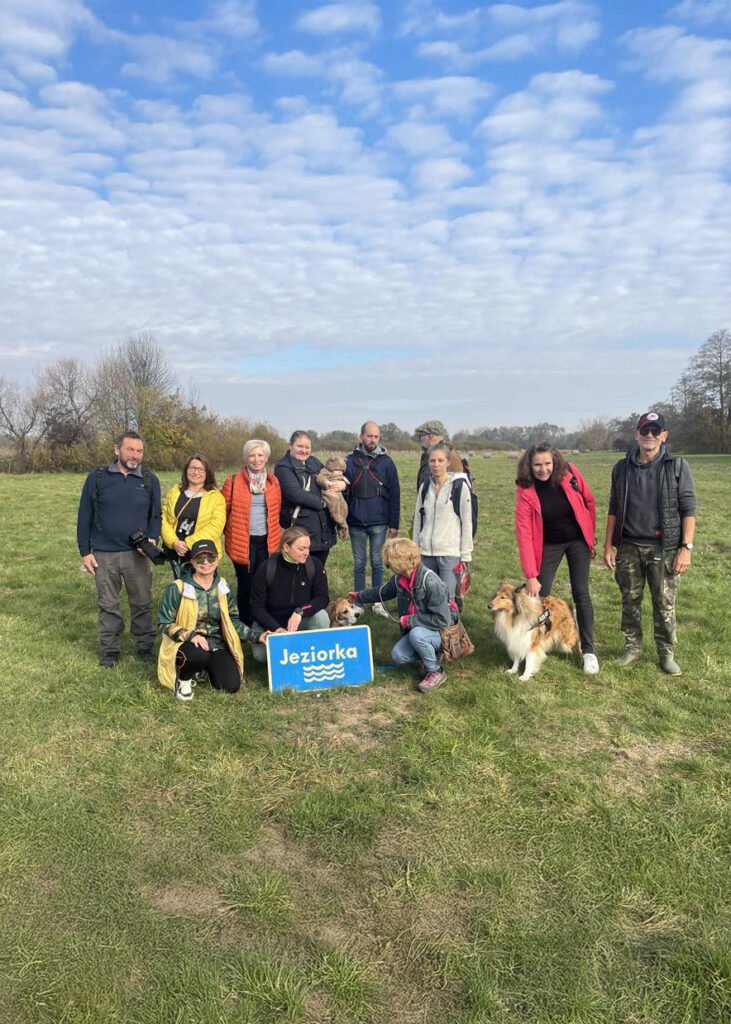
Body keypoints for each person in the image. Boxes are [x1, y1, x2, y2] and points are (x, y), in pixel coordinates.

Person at [603, 411, 697, 676]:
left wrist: (685, 548)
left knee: (664, 603)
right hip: (629, 547)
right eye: (645, 431)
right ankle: (632, 648)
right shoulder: (621, 468)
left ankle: (666, 653)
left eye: (656, 431)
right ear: (637, 434)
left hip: (664, 549)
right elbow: (613, 507)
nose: (650, 436)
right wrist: (609, 545)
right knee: (629, 601)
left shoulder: (677, 466)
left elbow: (689, 509)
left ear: (664, 436)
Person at [76, 430, 162, 667]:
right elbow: (85, 515)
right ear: (117, 450)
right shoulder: (98, 478)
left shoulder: (148, 479)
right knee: (108, 604)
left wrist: (152, 539)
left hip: (138, 555)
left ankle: (145, 647)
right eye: (130, 449)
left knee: (142, 603)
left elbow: (156, 515)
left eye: (139, 450)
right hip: (104, 554)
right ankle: (110, 650)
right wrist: (85, 551)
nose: (135, 455)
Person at [515, 443, 599, 675]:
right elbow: (524, 533)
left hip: (577, 542)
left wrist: (589, 537)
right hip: (548, 545)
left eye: (547, 464)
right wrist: (531, 575)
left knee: (581, 593)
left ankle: (589, 651)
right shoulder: (525, 490)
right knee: (538, 596)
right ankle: (536, 643)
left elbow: (589, 502)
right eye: (537, 465)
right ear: (529, 466)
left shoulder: (570, 473)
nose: (543, 469)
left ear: (555, 462)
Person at [157, 539, 270, 701]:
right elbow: (164, 622)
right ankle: (184, 680)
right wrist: (191, 636)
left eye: (210, 558)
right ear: (192, 562)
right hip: (186, 643)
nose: (205, 563)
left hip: (217, 645)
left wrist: (257, 636)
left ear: (217, 560)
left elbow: (233, 622)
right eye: (199, 559)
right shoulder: (178, 588)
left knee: (231, 686)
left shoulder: (223, 586)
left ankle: (204, 670)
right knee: (197, 655)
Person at [352, 537, 453, 692]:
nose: (388, 566)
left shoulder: (431, 582)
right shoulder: (401, 578)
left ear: (401, 561)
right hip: (421, 629)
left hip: (444, 634)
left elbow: (443, 620)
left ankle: (435, 671)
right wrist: (359, 596)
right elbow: (383, 592)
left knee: (417, 635)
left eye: (389, 562)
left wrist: (409, 620)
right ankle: (428, 656)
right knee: (398, 655)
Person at [221, 440, 282, 625]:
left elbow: (276, 511)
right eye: (252, 455)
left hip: (266, 541)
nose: (256, 459)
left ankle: (262, 621)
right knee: (246, 584)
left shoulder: (273, 482)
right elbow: (223, 512)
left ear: (266, 457)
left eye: (260, 455)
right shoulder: (232, 482)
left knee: (264, 583)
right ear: (246, 457)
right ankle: (245, 623)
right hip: (242, 542)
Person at [249, 526, 330, 663]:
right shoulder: (267, 568)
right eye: (301, 549)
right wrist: (277, 629)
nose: (306, 553)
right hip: (271, 623)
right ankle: (292, 650)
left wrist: (300, 612)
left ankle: (311, 654)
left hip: (300, 620)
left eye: (308, 548)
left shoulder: (314, 565)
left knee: (321, 617)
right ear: (286, 548)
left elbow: (322, 598)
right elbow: (256, 607)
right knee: (261, 656)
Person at [344, 421, 401, 618]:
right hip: (355, 522)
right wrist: (341, 523)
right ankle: (358, 601)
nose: (373, 440)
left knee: (377, 563)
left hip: (379, 522)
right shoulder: (349, 461)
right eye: (369, 436)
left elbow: (395, 494)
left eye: (376, 437)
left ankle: (378, 601)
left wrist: (394, 524)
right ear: (361, 437)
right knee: (359, 564)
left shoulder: (387, 463)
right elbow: (342, 495)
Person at [412, 442, 473, 601]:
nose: (436, 464)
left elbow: (467, 522)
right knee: (426, 595)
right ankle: (427, 626)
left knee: (447, 598)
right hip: (426, 553)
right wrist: (415, 547)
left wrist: (465, 554)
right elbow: (418, 518)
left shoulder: (459, 487)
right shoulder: (425, 486)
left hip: (449, 553)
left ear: (447, 462)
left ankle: (450, 626)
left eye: (440, 460)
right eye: (432, 461)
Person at [274, 431, 336, 565]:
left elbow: (329, 477)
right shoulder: (283, 467)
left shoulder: (314, 462)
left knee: (318, 569)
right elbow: (295, 494)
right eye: (299, 446)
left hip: (322, 529)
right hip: (300, 528)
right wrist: (324, 503)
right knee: (299, 571)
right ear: (291, 446)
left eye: (307, 447)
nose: (304, 450)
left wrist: (340, 483)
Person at [160, 454, 226, 578]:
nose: (196, 472)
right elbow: (163, 518)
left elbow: (216, 526)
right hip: (177, 551)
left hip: (203, 554)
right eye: (192, 468)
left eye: (201, 469)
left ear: (208, 473)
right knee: (181, 588)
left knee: (202, 591)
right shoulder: (175, 492)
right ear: (186, 471)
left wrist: (189, 543)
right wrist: (173, 542)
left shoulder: (216, 497)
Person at [413, 421, 463, 491]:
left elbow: (458, 485)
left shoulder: (450, 455)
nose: (420, 438)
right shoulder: (426, 455)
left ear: (430, 437)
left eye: (421, 435)